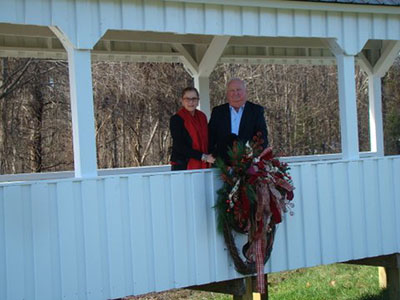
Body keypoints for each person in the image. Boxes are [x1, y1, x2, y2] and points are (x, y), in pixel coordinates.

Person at [208, 78, 268, 161]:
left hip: (248, 162)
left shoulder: (256, 111)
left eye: (238, 90)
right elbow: (211, 137)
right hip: (221, 163)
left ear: (245, 91)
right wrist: (214, 156)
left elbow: (262, 136)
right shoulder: (218, 112)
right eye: (232, 90)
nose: (235, 93)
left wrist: (253, 156)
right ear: (227, 93)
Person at [170, 87, 215, 171]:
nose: (191, 102)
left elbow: (207, 140)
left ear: (198, 101)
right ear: (182, 101)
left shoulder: (202, 117)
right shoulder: (176, 119)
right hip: (183, 165)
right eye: (187, 99)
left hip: (203, 164)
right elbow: (179, 146)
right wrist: (203, 156)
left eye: (194, 99)